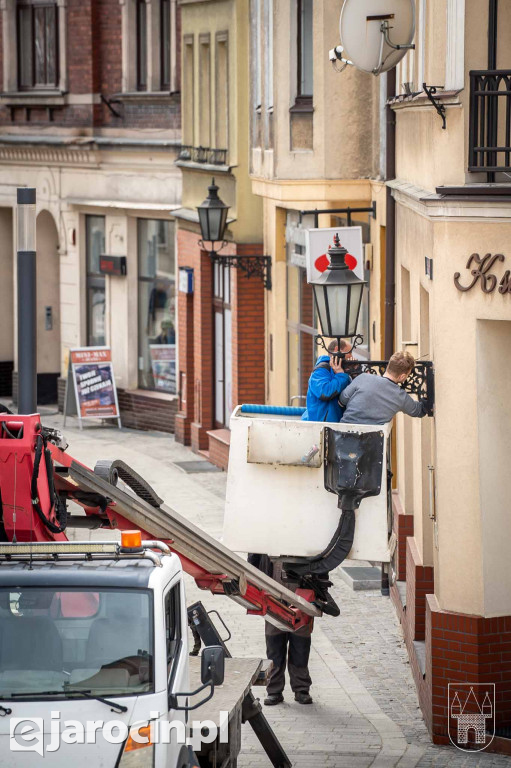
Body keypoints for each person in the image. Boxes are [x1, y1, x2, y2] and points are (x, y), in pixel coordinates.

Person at [247, 553, 313, 706]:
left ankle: (301, 689)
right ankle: (274, 691)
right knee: (274, 645)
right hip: (272, 593)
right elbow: (253, 557)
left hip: (301, 592)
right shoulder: (266, 539)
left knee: (301, 646)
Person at [340, 350, 428, 425]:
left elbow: (342, 400)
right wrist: (428, 388)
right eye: (408, 375)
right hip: (371, 439)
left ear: (388, 365)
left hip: (342, 435)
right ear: (402, 376)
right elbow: (418, 411)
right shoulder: (400, 396)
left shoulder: (363, 377)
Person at [301, 339, 353, 422]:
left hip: (334, 424)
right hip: (320, 425)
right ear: (337, 349)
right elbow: (325, 392)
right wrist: (341, 375)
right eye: (349, 352)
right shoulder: (321, 370)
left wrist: (353, 373)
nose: (351, 356)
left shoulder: (342, 371)